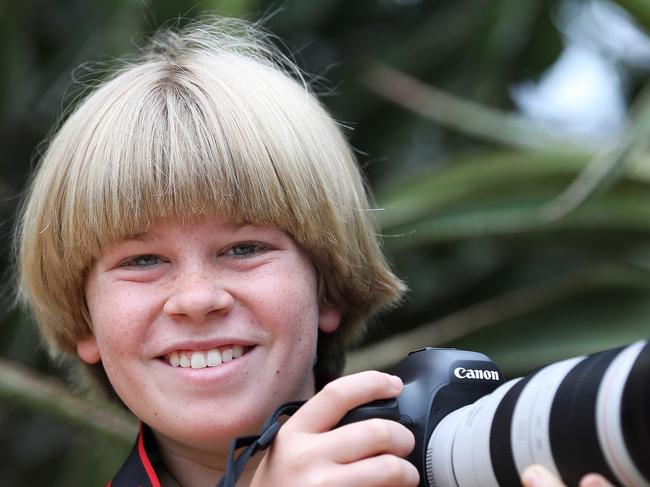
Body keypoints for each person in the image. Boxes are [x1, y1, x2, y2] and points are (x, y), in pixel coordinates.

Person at [14, 16, 614, 487]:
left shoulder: (460, 459)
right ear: (82, 315)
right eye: (142, 261)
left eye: (244, 247)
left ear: (327, 285)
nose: (196, 299)